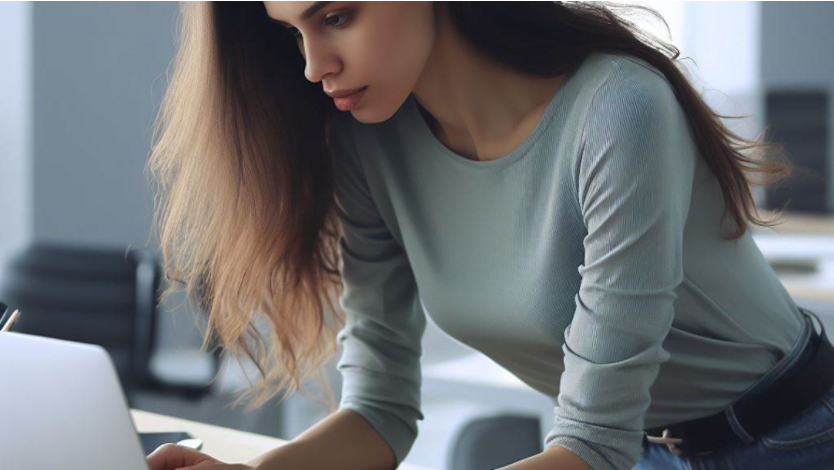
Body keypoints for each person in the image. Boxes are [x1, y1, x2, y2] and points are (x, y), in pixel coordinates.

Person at [145, 2, 834, 470]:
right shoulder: (369, 148)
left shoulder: (619, 108)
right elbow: (381, 412)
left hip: (794, 437)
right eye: (293, 31)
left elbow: (593, 443)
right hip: (637, 450)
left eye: (336, 16)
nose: (312, 63)